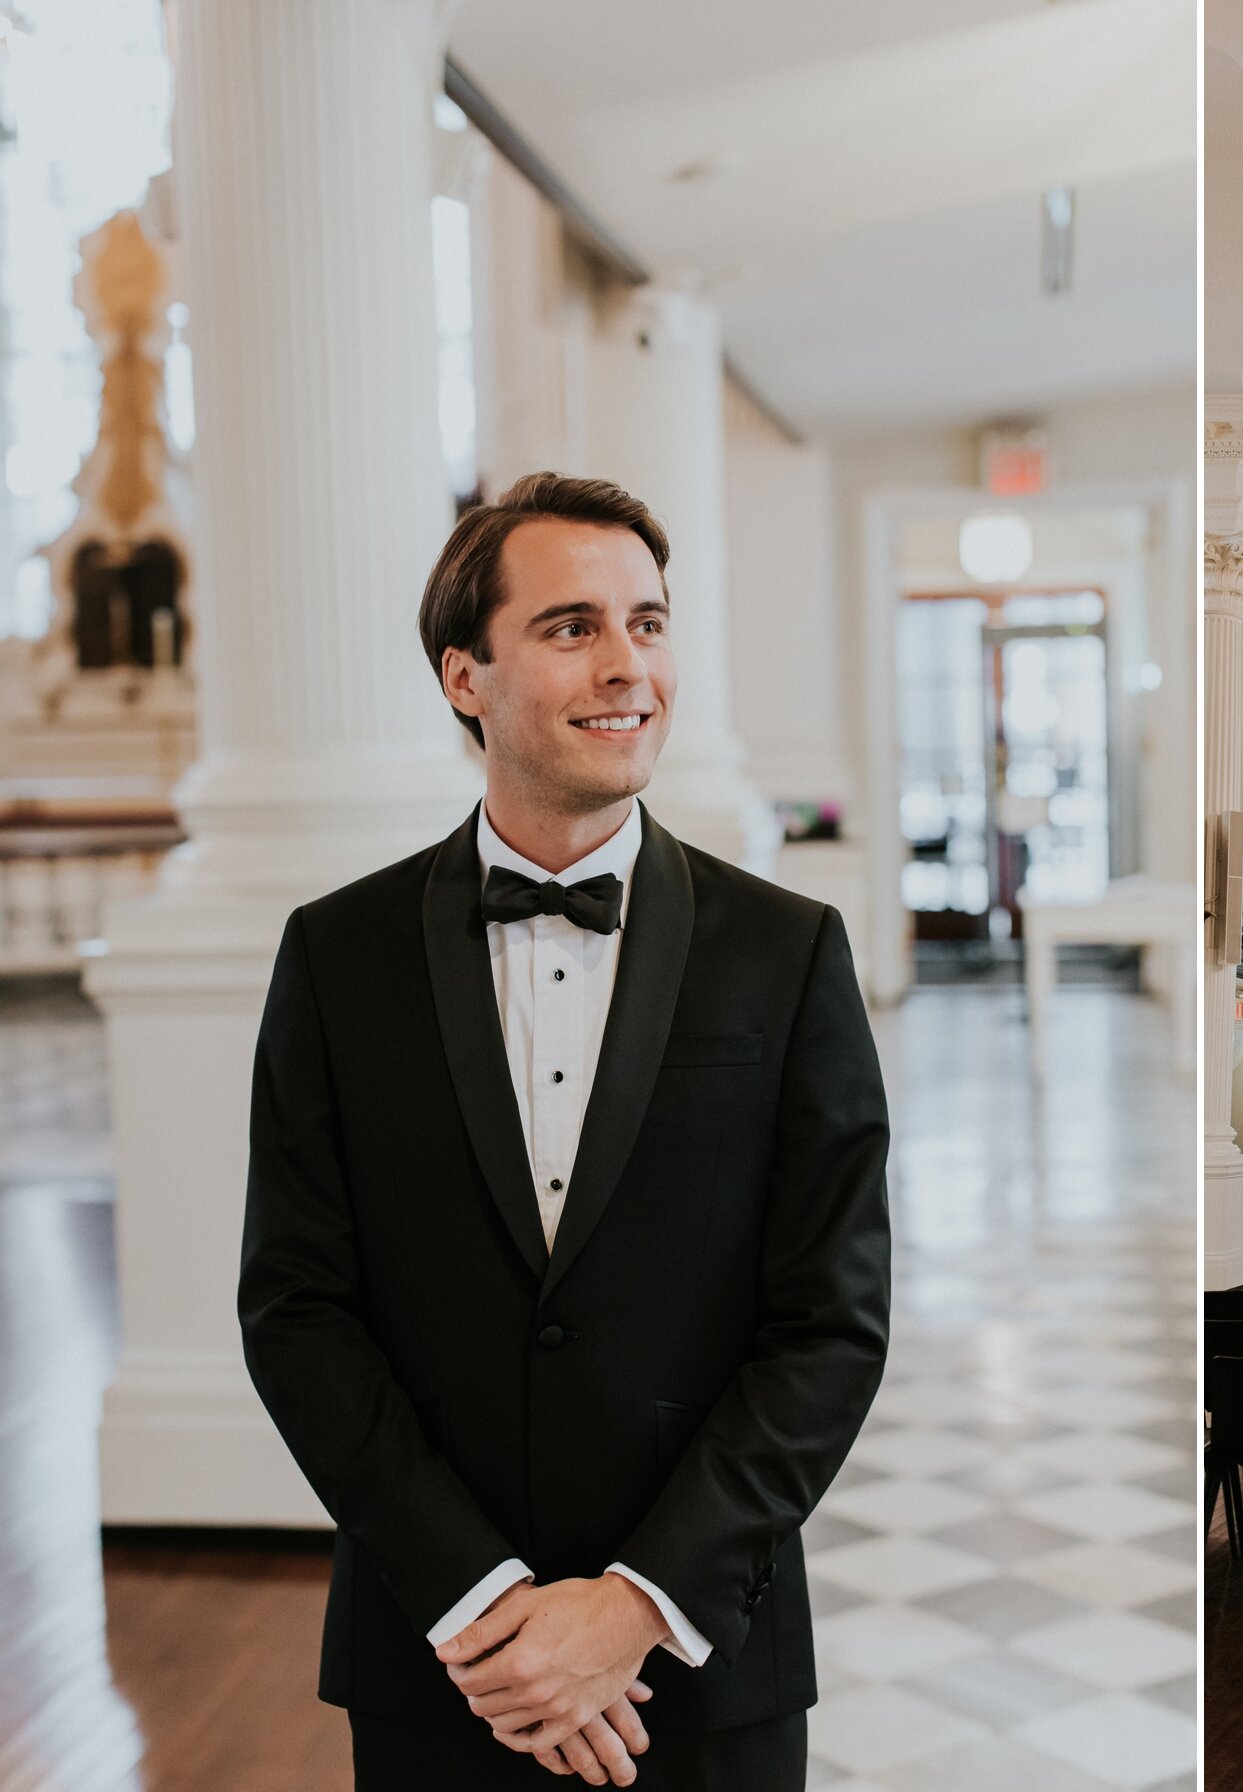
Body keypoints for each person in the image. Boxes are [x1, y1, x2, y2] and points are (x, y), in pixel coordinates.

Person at [238, 473, 889, 1789]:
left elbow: (832, 1320)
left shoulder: (788, 952)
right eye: (573, 626)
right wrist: (482, 1603)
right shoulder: (336, 957)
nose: (627, 667)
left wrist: (636, 1604)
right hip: (443, 1665)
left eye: (648, 624)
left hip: (704, 1660)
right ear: (463, 675)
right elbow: (297, 1309)